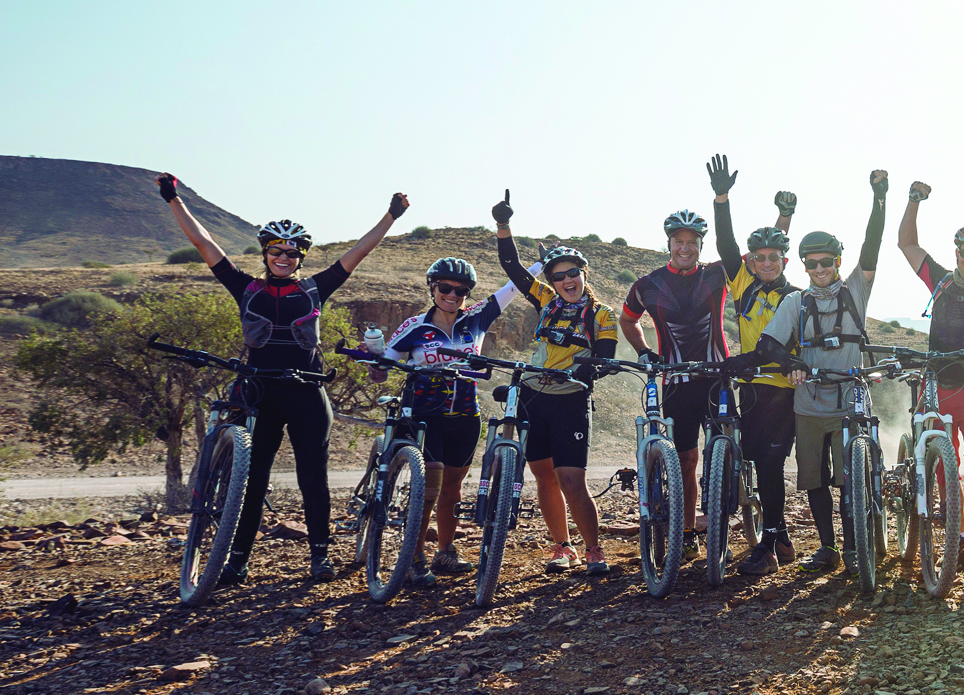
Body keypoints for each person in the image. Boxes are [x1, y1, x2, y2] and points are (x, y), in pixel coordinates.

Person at [155, 172, 407, 585]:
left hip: (306, 392)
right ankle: (237, 559)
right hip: (258, 393)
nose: (284, 257)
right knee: (252, 481)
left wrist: (390, 216)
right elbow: (205, 245)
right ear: (266, 253)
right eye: (276, 250)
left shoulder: (313, 290)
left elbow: (358, 253)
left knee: (313, 479)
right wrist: (173, 200)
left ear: (301, 257)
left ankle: (320, 556)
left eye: (292, 252)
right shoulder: (246, 288)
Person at [754, 171, 889, 574]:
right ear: (803, 264)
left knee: (849, 480)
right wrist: (791, 364)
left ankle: (853, 548)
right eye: (811, 263)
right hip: (809, 402)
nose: (819, 269)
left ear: (838, 262)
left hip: (850, 398)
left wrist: (878, 200)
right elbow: (768, 344)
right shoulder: (795, 302)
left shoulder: (855, 291)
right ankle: (827, 547)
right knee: (814, 478)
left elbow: (872, 247)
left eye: (826, 262)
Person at [493, 192, 620, 577]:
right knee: (543, 475)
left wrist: (589, 373)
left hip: (570, 400)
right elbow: (512, 265)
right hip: (535, 395)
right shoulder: (546, 300)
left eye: (572, 274)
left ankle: (594, 548)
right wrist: (503, 225)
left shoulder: (601, 313)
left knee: (571, 479)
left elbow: (607, 356)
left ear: (584, 275)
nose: (566, 281)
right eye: (558, 276)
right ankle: (562, 547)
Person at [376, 255, 522, 583]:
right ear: (433, 287)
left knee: (453, 489)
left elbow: (514, 287)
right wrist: (375, 362)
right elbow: (381, 371)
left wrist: (544, 263)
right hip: (425, 416)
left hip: (466, 415)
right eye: (446, 288)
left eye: (461, 291)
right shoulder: (414, 327)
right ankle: (413, 556)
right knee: (432, 482)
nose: (453, 295)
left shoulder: (476, 320)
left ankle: (445, 551)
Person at [619, 159, 736, 557]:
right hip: (677, 382)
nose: (685, 248)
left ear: (701, 246)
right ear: (668, 243)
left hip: (717, 377)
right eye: (678, 242)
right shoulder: (648, 284)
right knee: (686, 460)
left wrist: (724, 201)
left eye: (692, 242)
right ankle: (686, 535)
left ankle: (726, 524)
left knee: (725, 454)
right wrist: (644, 352)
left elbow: (755, 254)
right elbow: (627, 319)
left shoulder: (717, 274)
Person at [898, 181, 964, 569]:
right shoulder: (941, 281)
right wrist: (913, 203)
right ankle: (955, 529)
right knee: (945, 465)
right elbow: (907, 244)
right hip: (937, 385)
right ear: (957, 252)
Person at [712, 173, 799, 575]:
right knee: (747, 460)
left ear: (785, 261)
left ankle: (769, 543)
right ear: (750, 262)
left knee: (770, 465)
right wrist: (722, 198)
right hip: (750, 390)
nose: (766, 263)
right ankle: (778, 538)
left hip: (784, 392)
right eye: (758, 258)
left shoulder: (799, 298)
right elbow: (726, 244)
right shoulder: (743, 282)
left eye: (773, 258)